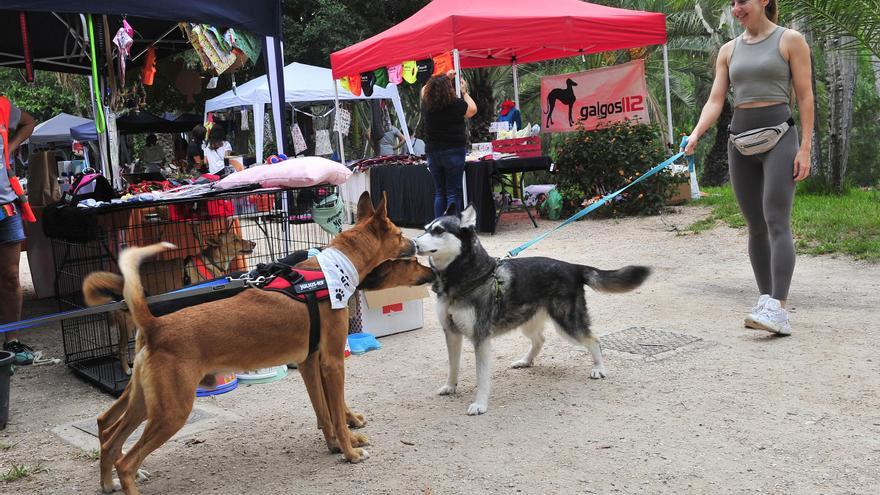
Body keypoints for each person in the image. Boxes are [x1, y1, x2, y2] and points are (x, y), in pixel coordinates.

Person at [684, 0, 813, 336]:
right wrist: (697, 133)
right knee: (755, 225)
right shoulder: (729, 50)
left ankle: (779, 309)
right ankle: (766, 300)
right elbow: (716, 99)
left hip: (779, 138)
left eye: (742, 1)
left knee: (776, 220)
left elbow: (804, 95)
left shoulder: (790, 40)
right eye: (732, 3)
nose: (736, 8)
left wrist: (805, 148)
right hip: (739, 142)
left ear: (764, 1)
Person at [0, 96, 37, 365]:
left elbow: (28, 123)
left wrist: (10, 147)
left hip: (5, 205)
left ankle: (11, 342)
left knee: (12, 277)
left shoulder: (1, 106)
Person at [421, 70, 477, 218]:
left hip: (433, 152)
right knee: (453, 192)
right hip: (453, 151)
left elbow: (424, 89)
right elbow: (472, 110)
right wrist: (464, 92)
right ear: (449, 89)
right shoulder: (456, 103)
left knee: (440, 192)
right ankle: (452, 228)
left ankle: (439, 229)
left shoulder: (427, 104)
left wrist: (444, 78)